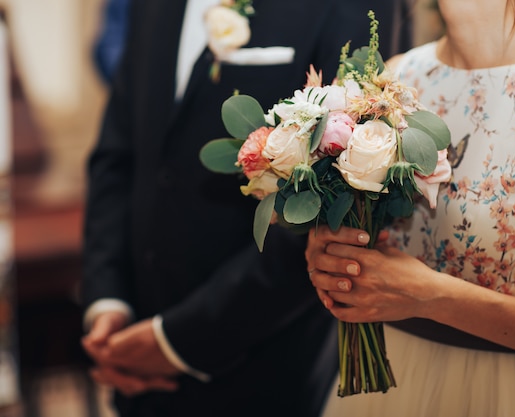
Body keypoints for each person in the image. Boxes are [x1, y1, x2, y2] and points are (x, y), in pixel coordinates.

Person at [79, 0, 413, 416]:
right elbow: (118, 154)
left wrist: (179, 341)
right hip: (136, 360)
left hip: (270, 371)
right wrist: (108, 302)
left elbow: (344, 200)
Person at [305, 0, 515, 416]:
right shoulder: (396, 78)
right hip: (382, 386)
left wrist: (430, 297)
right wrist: (333, 251)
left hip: (505, 394)